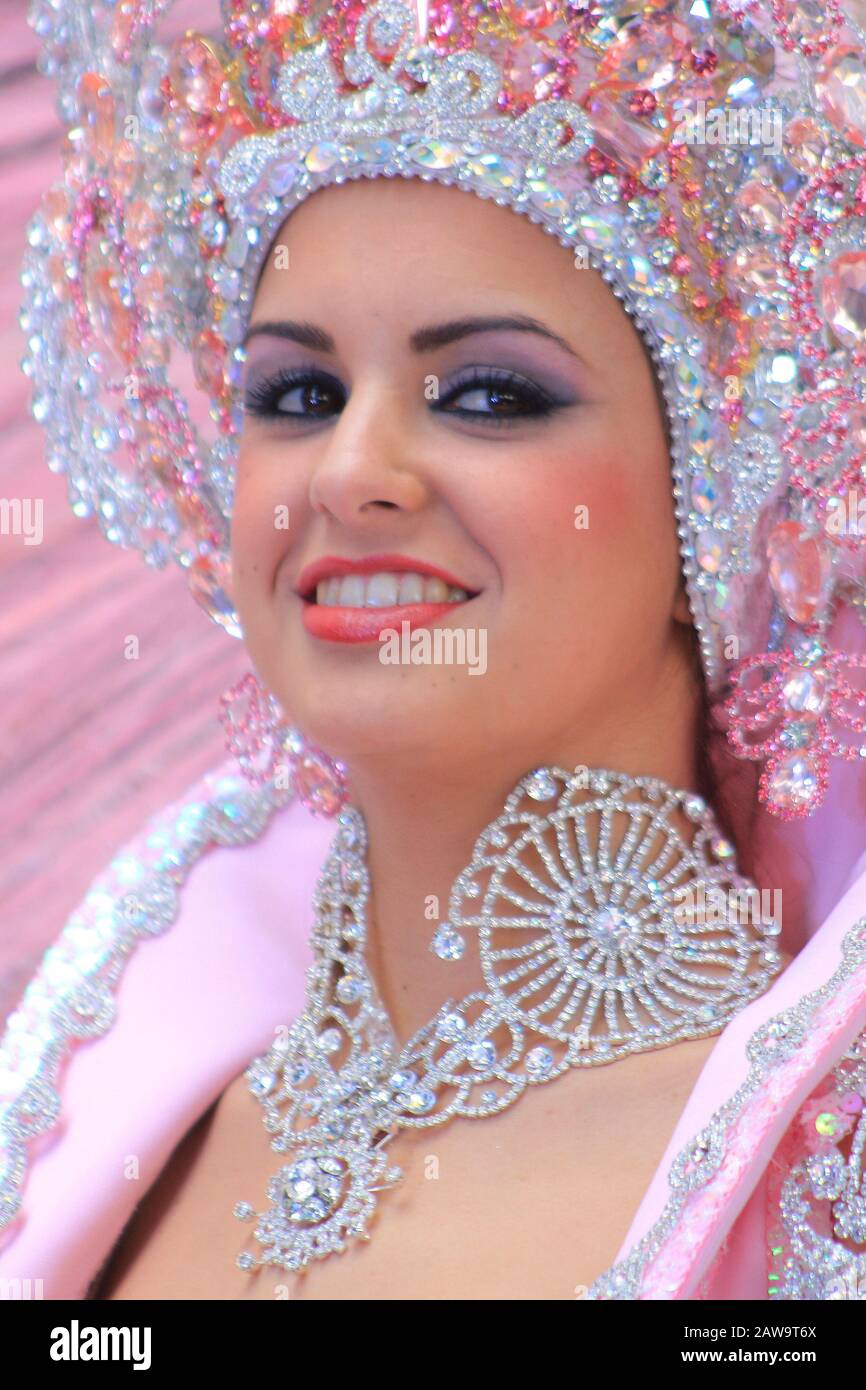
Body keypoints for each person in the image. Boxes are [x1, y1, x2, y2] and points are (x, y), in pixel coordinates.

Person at [2, 0, 866, 1301]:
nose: (352, 473)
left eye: (490, 395)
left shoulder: (822, 1172)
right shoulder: (100, 1086)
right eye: (298, 395)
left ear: (724, 492)